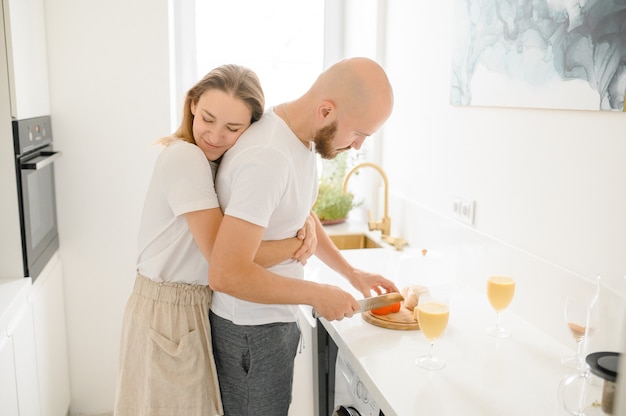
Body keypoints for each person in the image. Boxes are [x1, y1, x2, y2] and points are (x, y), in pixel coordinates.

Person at [113, 64, 316, 416]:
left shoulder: (214, 163)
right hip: (169, 313)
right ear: (192, 104)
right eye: (208, 118)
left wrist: (306, 220)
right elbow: (222, 258)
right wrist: (296, 246)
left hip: (183, 308)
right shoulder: (185, 157)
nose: (215, 135)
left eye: (233, 128)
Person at [208, 57, 397, 415]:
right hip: (250, 332)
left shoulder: (299, 140)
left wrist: (352, 273)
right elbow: (225, 273)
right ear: (326, 111)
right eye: (358, 134)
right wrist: (316, 294)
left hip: (270, 323)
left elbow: (298, 214)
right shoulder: (268, 157)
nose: (357, 146)